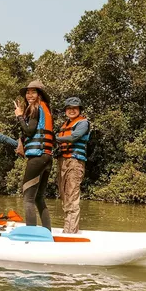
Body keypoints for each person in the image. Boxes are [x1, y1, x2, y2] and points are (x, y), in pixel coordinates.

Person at [14, 80, 54, 230]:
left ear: (40, 94)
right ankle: (47, 231)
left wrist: (19, 116)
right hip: (47, 158)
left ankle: (31, 234)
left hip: (36, 158)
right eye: (28, 92)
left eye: (33, 92)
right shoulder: (46, 109)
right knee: (38, 198)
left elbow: (29, 131)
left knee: (28, 198)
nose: (30, 95)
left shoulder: (35, 107)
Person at [55, 97, 90, 233]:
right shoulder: (65, 125)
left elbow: (75, 137)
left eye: (75, 108)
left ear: (79, 110)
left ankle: (71, 232)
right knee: (64, 196)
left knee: (72, 196)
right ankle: (68, 229)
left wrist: (54, 138)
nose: (71, 110)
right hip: (63, 161)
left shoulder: (82, 123)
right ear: (65, 111)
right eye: (69, 108)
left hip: (75, 162)